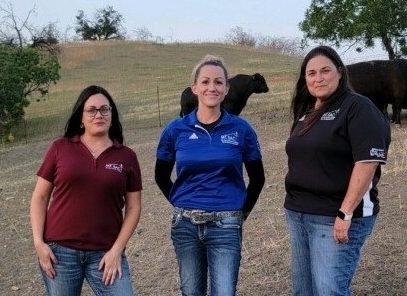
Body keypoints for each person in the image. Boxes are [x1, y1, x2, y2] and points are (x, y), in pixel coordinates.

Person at [284, 45, 391, 296]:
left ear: (340, 73)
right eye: (311, 73)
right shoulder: (307, 113)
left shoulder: (357, 108)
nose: (318, 78)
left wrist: (345, 213)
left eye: (325, 71)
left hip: (335, 216)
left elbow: (367, 162)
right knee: (304, 290)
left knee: (329, 290)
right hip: (299, 213)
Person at [155, 55, 265, 296]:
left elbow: (258, 178)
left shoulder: (242, 129)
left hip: (226, 224)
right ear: (194, 88)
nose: (211, 87)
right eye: (205, 82)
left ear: (226, 88)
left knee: (224, 292)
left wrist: (241, 212)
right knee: (191, 291)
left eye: (218, 82)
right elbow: (161, 176)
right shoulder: (175, 130)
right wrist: (181, 203)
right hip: (185, 226)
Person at [30, 85, 142, 296]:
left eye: (104, 109)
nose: (98, 114)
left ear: (111, 114)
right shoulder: (60, 148)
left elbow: (134, 207)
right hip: (60, 253)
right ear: (81, 116)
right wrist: (38, 243)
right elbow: (40, 196)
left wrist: (117, 250)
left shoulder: (126, 156)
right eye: (91, 110)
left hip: (106, 252)